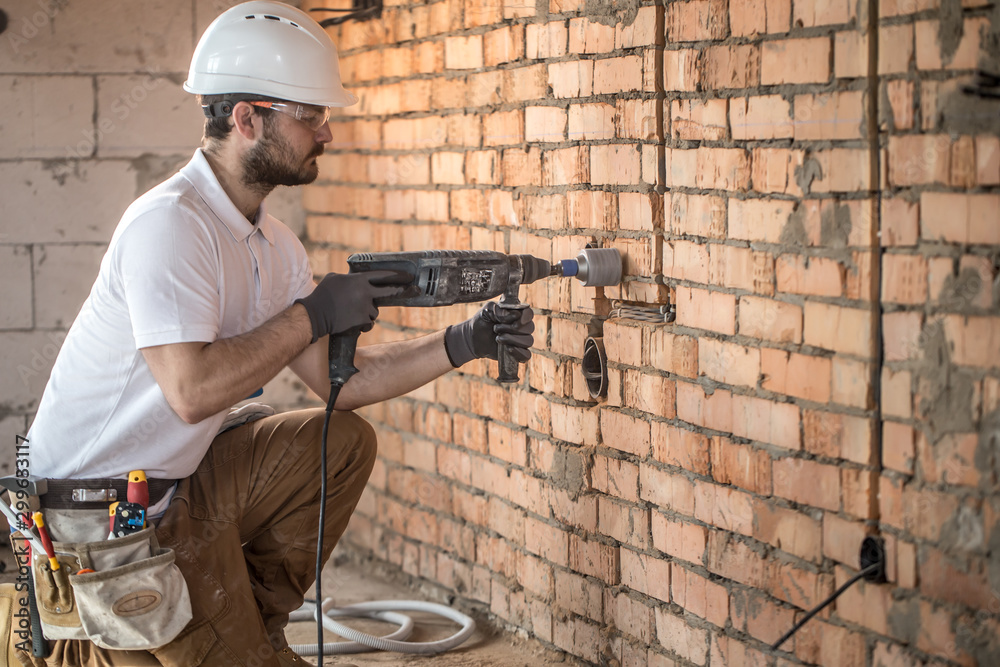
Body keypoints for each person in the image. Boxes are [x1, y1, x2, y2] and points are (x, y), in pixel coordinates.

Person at [11, 2, 534, 665]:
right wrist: (313, 313)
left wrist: (466, 339)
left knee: (340, 441)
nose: (326, 133)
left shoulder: (274, 243)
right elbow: (192, 392)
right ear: (247, 118)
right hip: (94, 519)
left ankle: (247, 621)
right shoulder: (170, 226)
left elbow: (344, 382)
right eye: (310, 116)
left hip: (179, 484)